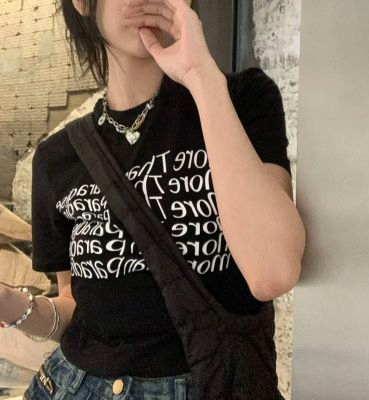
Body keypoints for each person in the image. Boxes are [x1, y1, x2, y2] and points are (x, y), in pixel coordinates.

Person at [0, 0, 306, 398]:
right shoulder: (56, 157)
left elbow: (273, 271)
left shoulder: (241, 99)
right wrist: (8, 303)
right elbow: (77, 310)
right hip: (75, 385)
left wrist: (200, 76)